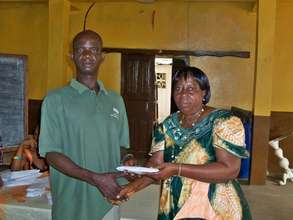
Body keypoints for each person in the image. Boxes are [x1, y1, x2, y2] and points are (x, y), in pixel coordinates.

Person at [116, 66, 252, 220]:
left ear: (204, 93)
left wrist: (177, 169)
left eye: (190, 88)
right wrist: (133, 183)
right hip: (175, 203)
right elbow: (156, 164)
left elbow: (230, 170)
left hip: (214, 207)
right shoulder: (167, 125)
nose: (183, 94)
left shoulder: (223, 121)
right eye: (178, 88)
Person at [39, 30, 132, 220]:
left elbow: (121, 146)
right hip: (72, 203)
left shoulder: (115, 100)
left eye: (94, 50)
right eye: (81, 49)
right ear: (71, 56)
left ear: (102, 56)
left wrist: (128, 160)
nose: (87, 55)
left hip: (110, 198)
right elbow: (51, 154)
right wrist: (94, 178)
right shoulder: (55, 100)